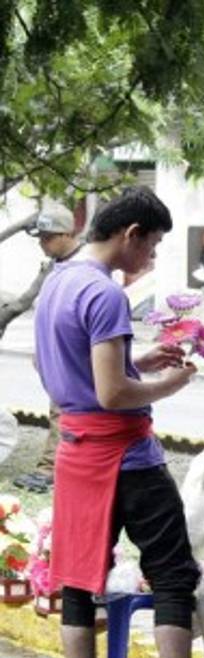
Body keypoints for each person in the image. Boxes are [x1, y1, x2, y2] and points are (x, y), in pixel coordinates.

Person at [33, 186, 204, 658]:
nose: (151, 258)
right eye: (152, 246)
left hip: (74, 453)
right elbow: (112, 392)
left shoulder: (58, 281)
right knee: (174, 574)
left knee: (80, 581)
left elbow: (63, 366)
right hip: (126, 457)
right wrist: (168, 383)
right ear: (130, 235)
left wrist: (138, 360)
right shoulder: (104, 294)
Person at [14, 202, 83, 493]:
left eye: (48, 237)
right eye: (40, 238)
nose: (42, 244)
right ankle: (53, 468)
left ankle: (49, 471)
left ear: (67, 234)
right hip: (53, 353)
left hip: (70, 354)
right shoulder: (57, 265)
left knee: (63, 413)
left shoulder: (82, 267)